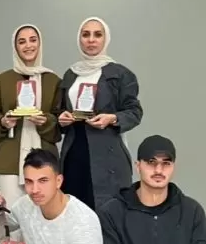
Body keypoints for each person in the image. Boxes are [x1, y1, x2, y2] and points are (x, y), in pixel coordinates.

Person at [56, 17, 143, 209]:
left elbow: (134, 111)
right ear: (79, 39)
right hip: (74, 153)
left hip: (107, 156)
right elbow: (60, 110)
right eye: (85, 34)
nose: (91, 40)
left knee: (107, 213)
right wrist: (61, 119)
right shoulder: (71, 74)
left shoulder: (121, 74)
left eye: (97, 35)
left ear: (106, 39)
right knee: (75, 212)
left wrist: (112, 118)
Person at [0, 24, 62, 206]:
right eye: (22, 42)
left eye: (33, 40)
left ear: (40, 44)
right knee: (12, 214)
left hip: (45, 159)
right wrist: (3, 122)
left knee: (44, 213)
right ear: (15, 46)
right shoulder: (0, 82)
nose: (28, 45)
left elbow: (60, 124)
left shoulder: (54, 82)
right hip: (10, 161)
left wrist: (45, 121)